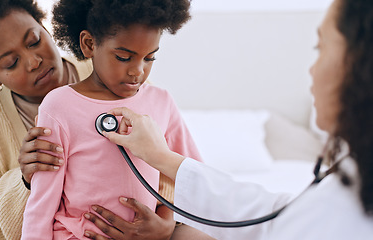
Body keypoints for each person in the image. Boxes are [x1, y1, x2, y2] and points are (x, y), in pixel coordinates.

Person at [83, 0, 373, 239]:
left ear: (359, 64)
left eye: (320, 49)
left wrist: (169, 227)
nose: (311, 69)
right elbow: (271, 214)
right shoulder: (348, 183)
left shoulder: (348, 214)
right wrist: (160, 156)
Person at [21, 0, 211, 239]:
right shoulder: (59, 106)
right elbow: (42, 203)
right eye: (123, 57)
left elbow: (193, 181)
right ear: (89, 44)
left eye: (149, 58)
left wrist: (166, 224)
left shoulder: (161, 101)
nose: (137, 71)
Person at [0, 0, 93, 239]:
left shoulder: (105, 70)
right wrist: (23, 181)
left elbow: (165, 148)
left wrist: (165, 222)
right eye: (11, 63)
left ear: (45, 28)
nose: (34, 62)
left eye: (35, 41)